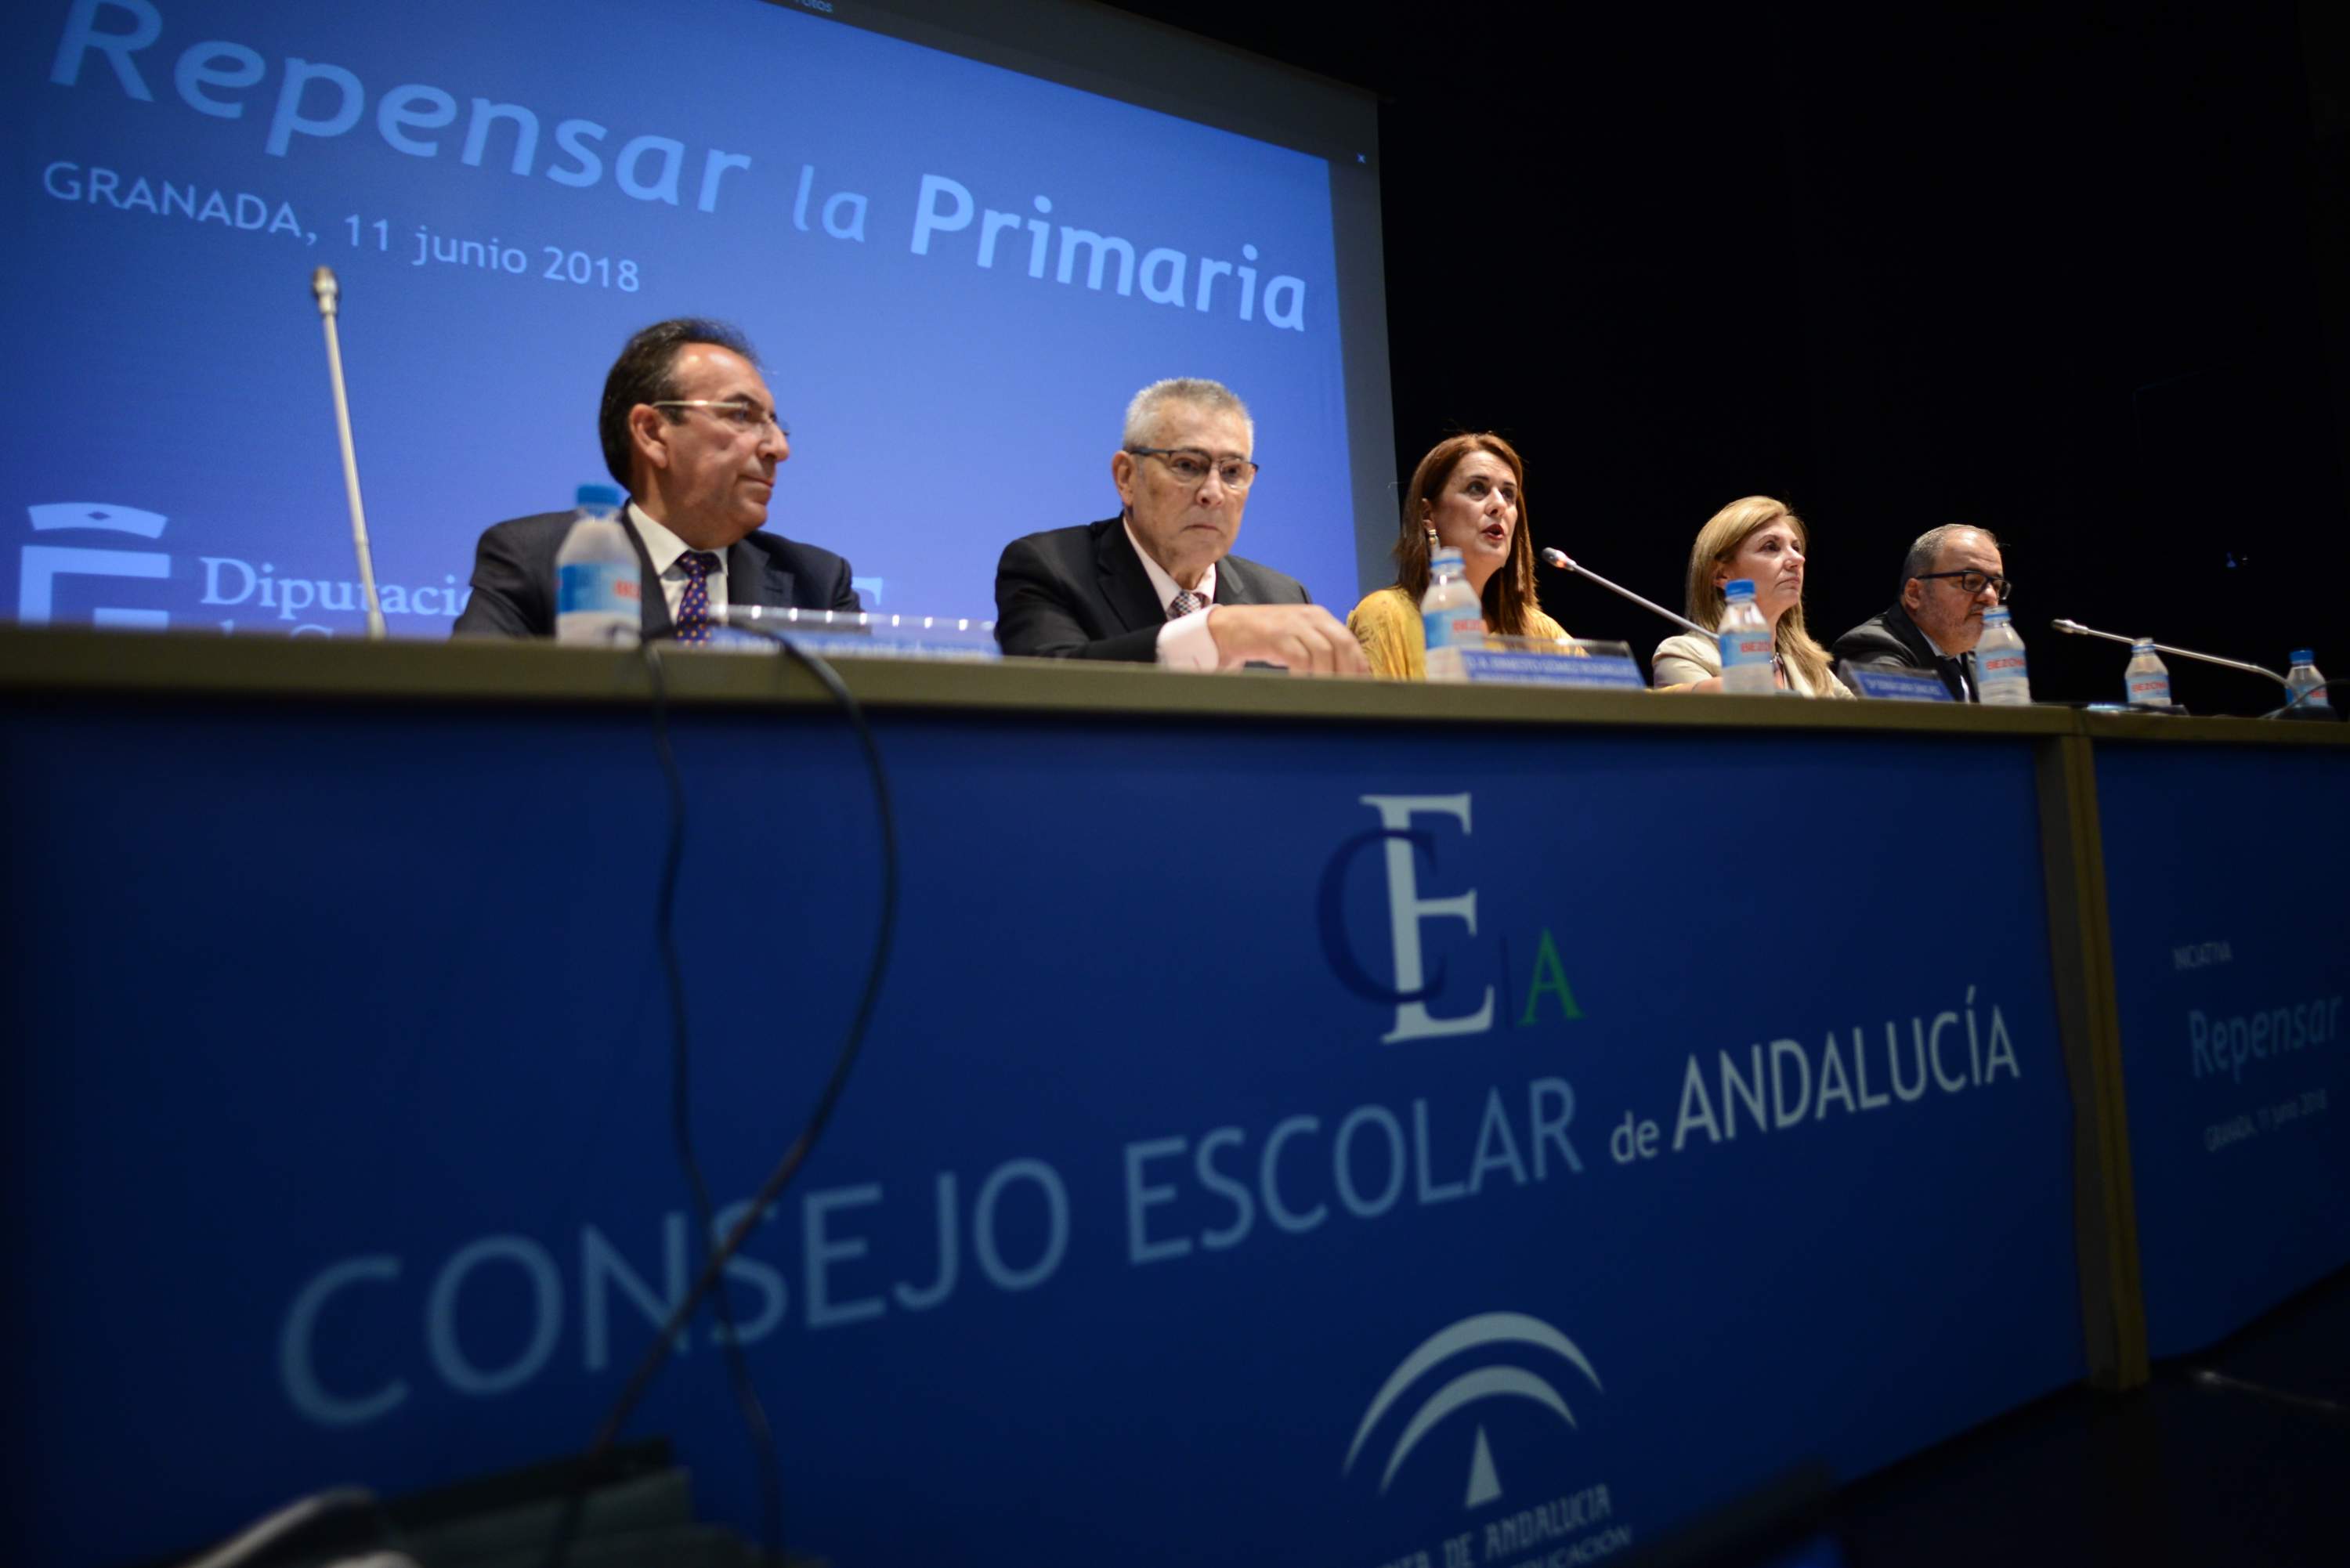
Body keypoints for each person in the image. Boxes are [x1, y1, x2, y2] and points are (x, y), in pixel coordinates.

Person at [453, 318, 857, 639]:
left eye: (774, 424)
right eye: (741, 416)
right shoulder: (538, 559)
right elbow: (468, 720)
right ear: (651, 432)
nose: (777, 449)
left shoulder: (816, 583)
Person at [992, 378, 1368, 674]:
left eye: (1233, 472)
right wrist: (1211, 632)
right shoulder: (1049, 567)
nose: (1213, 493)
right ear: (1126, 477)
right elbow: (1050, 685)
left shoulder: (1282, 595)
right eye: (1187, 465)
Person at [1347, 434, 1571, 679]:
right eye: (1477, 488)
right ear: (1428, 514)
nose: (1499, 505)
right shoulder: (1386, 616)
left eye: (1508, 494)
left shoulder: (1541, 633)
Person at [1651, 496, 1853, 698]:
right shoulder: (1684, 655)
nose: (1798, 559)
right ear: (1722, 575)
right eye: (1771, 547)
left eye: (1796, 547)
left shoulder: (1813, 669)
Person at [1830, 525, 2009, 700]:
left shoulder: (1980, 657)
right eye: (1971, 582)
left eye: (1996, 586)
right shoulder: (1874, 646)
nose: (1990, 596)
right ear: (1914, 593)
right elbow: (1906, 724)